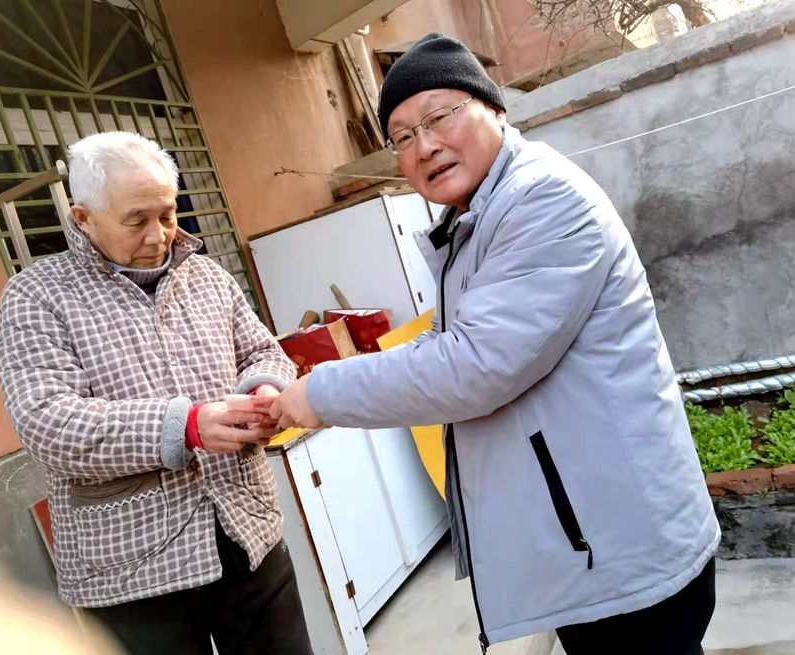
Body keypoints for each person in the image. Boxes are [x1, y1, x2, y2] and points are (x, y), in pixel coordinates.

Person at [270, 33, 720, 655]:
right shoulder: (474, 217)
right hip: (592, 546)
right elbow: (446, 346)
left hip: (622, 553)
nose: (424, 146)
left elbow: (473, 366)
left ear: (496, 109)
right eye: (402, 136)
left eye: (439, 117)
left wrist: (318, 393)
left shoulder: (541, 199)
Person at [0, 132, 312, 655]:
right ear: (83, 218)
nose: (159, 235)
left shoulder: (206, 275)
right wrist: (185, 427)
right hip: (131, 569)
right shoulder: (37, 295)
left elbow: (262, 351)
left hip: (246, 530)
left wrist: (262, 391)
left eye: (167, 214)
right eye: (136, 220)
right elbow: (47, 421)